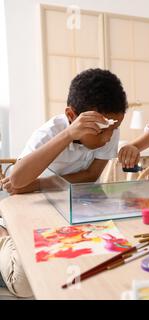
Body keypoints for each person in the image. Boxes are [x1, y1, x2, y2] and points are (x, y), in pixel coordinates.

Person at [0, 68, 127, 297]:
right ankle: (2, 235)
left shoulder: (109, 128)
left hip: (69, 206)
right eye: (101, 131)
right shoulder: (49, 133)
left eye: (115, 128)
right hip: (32, 209)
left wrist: (38, 184)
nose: (108, 138)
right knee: (23, 283)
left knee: (109, 255)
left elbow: (91, 176)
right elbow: (16, 183)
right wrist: (68, 135)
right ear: (72, 116)